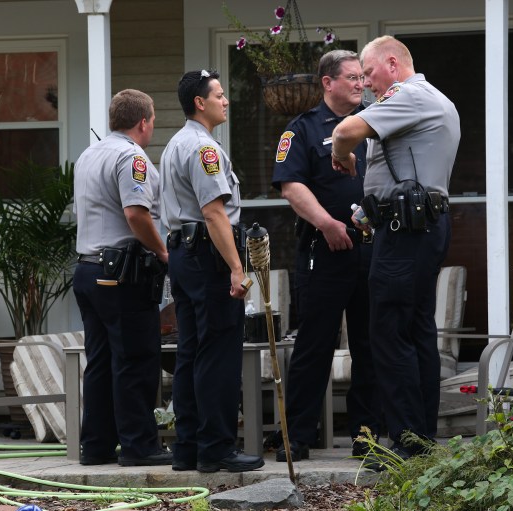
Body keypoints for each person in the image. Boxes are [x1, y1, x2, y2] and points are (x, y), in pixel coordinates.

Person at [331, 36, 460, 459]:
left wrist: (344, 156)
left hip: (407, 232)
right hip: (418, 226)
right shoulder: (427, 100)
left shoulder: (410, 96)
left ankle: (406, 444)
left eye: (368, 73)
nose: (365, 83)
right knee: (416, 329)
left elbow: (345, 129)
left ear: (392, 63)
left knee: (388, 331)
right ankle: (420, 438)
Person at [271, 49, 380, 463]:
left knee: (369, 347)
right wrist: (327, 224)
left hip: (371, 253)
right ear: (327, 82)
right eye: (351, 77)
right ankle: (297, 438)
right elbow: (290, 186)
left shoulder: (375, 123)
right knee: (314, 347)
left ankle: (365, 438)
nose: (360, 84)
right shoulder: (301, 130)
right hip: (325, 252)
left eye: (362, 77)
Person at [159, 69, 264, 473]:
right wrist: (237, 268)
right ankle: (217, 449)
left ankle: (187, 447)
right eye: (219, 95)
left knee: (191, 353)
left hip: (185, 254)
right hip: (208, 256)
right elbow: (214, 212)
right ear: (200, 103)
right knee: (218, 353)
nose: (226, 100)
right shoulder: (203, 148)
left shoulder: (175, 143)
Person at [72, 89, 173, 466]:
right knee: (135, 358)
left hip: (87, 268)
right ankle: (139, 446)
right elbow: (136, 214)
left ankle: (96, 446)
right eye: (152, 123)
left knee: (100, 361)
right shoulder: (132, 157)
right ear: (143, 122)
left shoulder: (89, 153)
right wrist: (163, 252)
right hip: (120, 273)